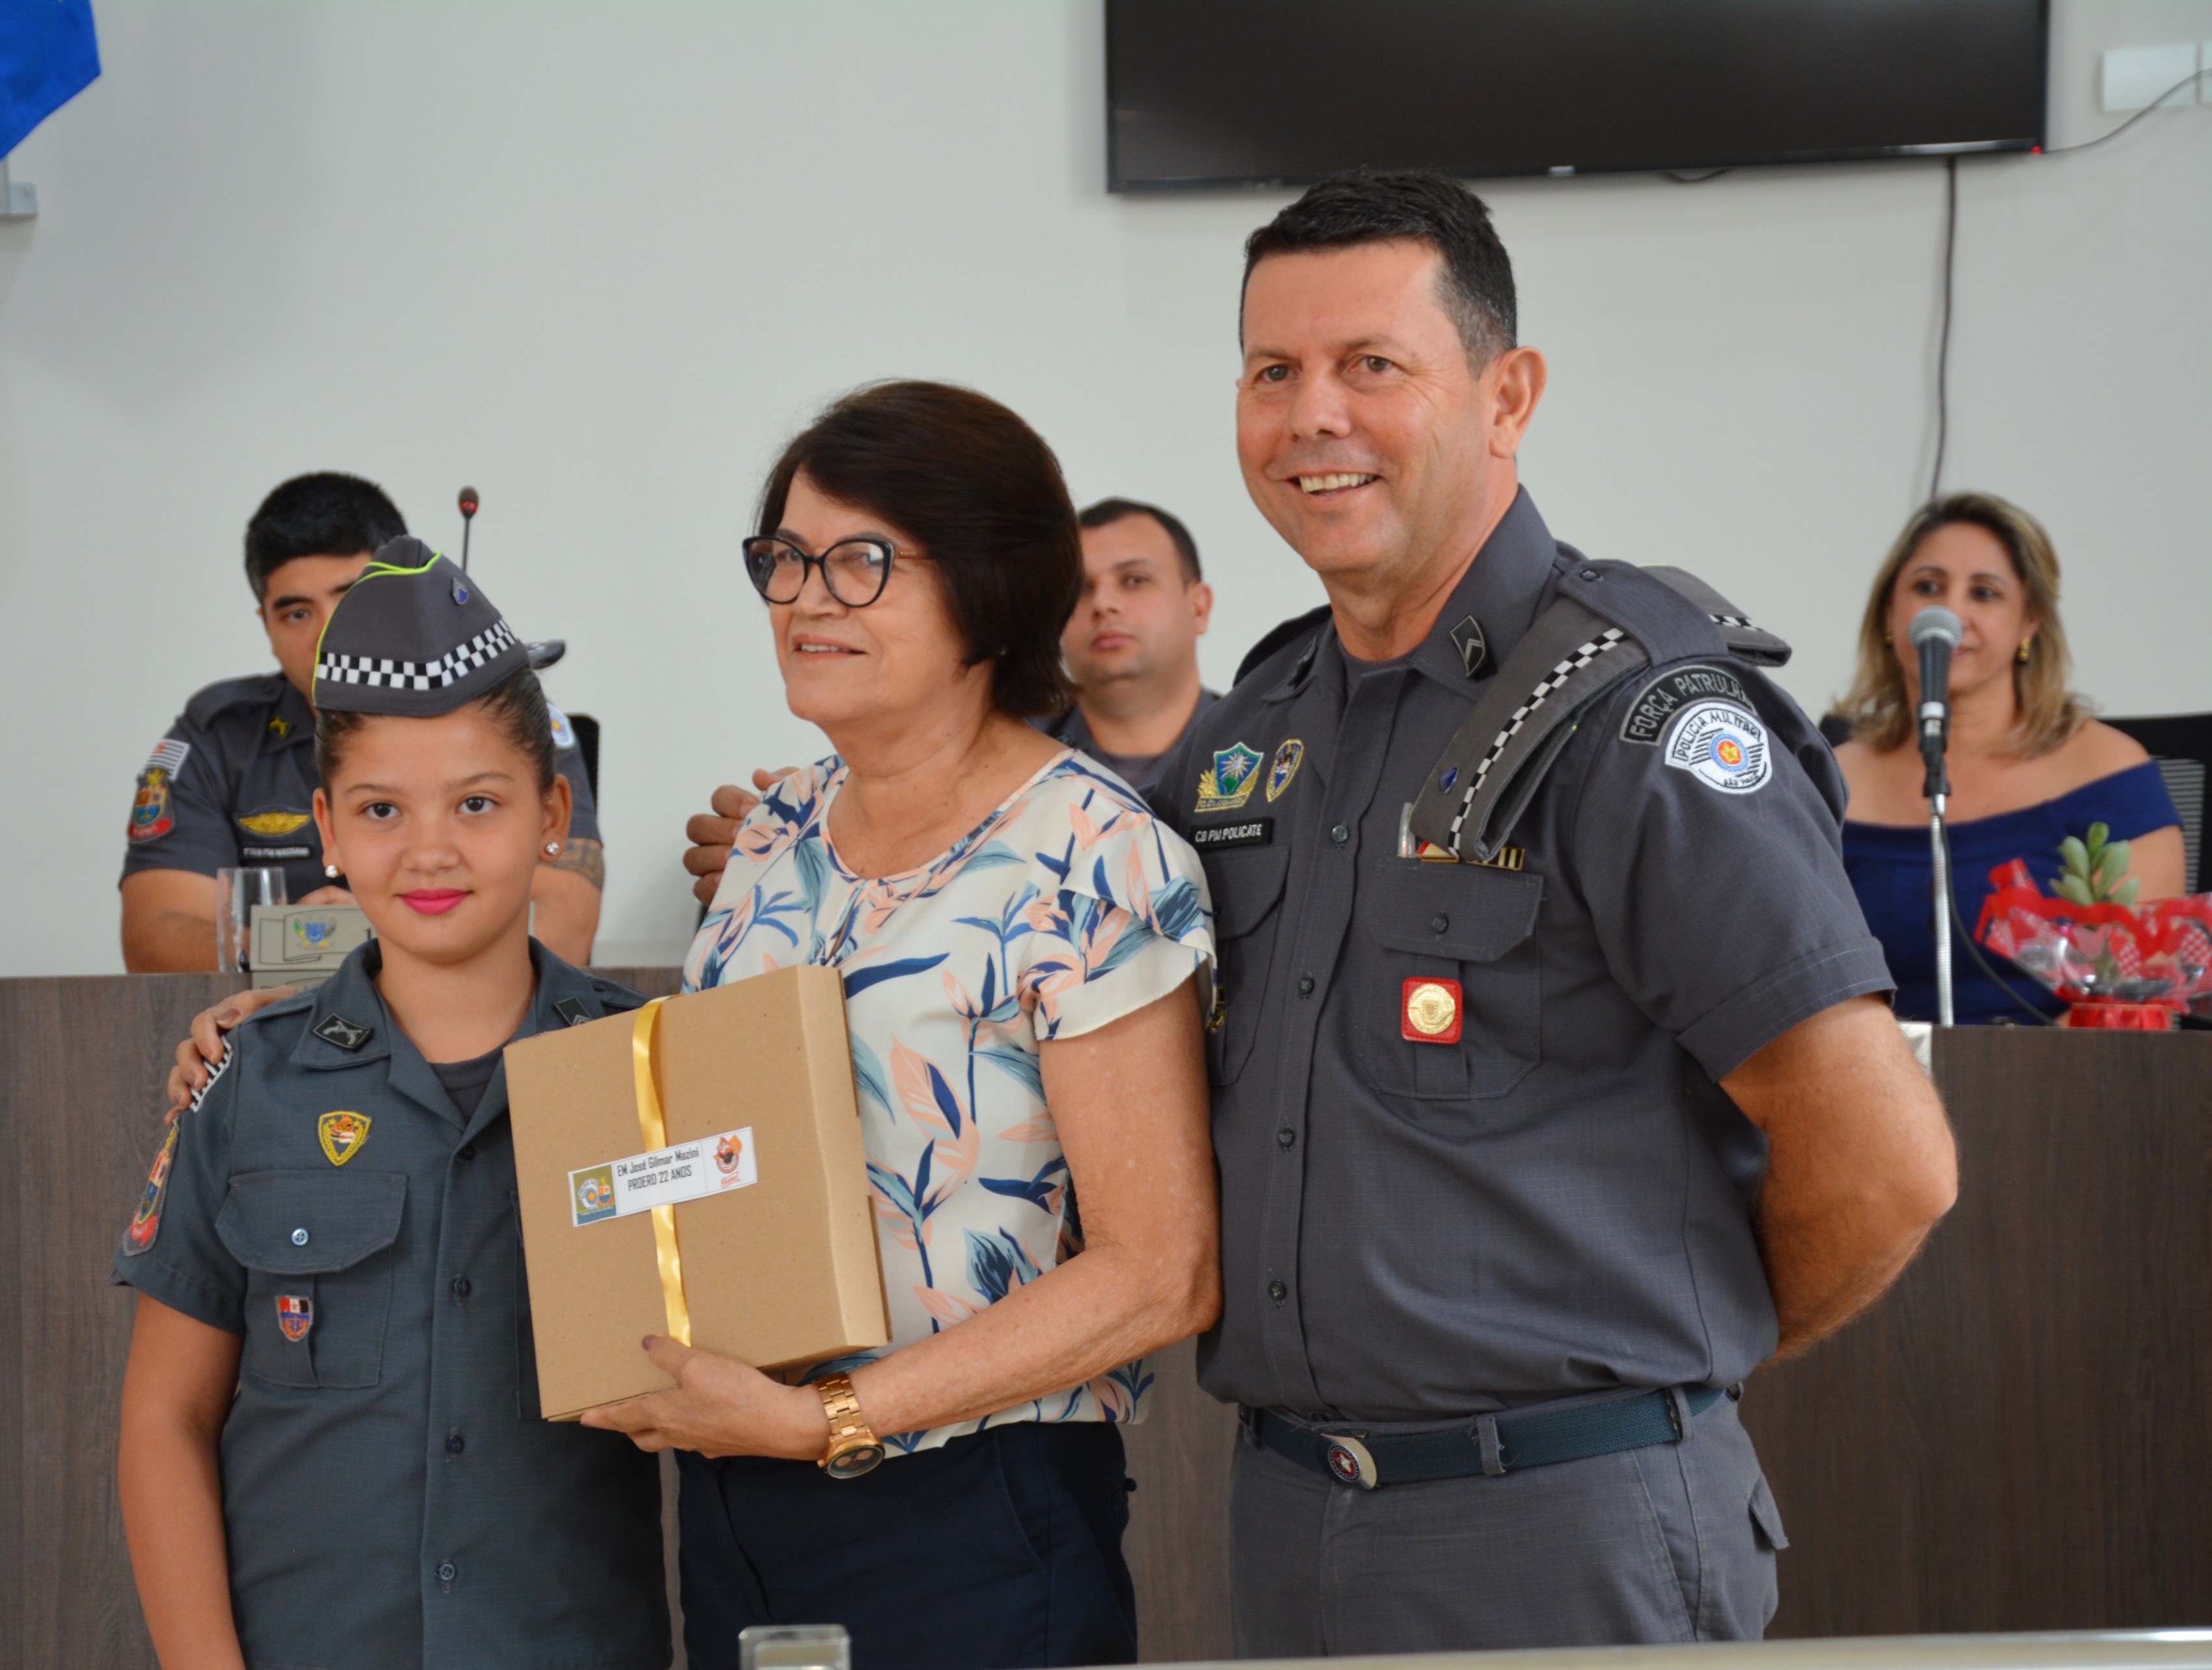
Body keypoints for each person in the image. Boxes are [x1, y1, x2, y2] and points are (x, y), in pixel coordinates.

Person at [682, 173, 1956, 1656]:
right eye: (1271, 372)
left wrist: (1664, 1372)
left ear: (1506, 394)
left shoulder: (1635, 721)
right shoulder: (1261, 733)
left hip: (1564, 1514)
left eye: (1372, 365)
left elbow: (1888, 1166)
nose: (1311, 416)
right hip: (1295, 1509)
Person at [595, 380, 1217, 1670]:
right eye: (784, 558)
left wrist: (826, 1417)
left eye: (860, 562)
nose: (805, 599)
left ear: (988, 588)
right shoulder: (774, 833)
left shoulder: (1090, 854)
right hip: (737, 1481)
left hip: (971, 1505)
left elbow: (1160, 1272)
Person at [113, 539, 668, 1670]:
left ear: (553, 812)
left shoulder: (648, 1071)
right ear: (326, 830)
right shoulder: (245, 1081)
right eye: (380, 810)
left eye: (478, 803)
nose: (429, 851)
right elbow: (166, 1419)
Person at [120, 471, 606, 971]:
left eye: (351, 600)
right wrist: (309, 952)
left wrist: (370, 937)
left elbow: (564, 925)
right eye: (297, 614)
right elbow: (154, 937)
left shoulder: (502, 716)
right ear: (266, 624)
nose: (328, 634)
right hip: (277, 1016)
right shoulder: (220, 735)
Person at [1833, 492, 2184, 1024]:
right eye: (1928, 587)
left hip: (2056, 1071)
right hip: (1864, 1070)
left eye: (1984, 593)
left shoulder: (2107, 772)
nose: (1951, 614)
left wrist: (2009, 1075)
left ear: (2030, 621)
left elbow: (2134, 998)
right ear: (1889, 610)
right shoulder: (1826, 780)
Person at [1039, 499, 1218, 802]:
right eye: (1080, 589)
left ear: (1198, 608)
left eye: (1135, 580)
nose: (1103, 603)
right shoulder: (1004, 764)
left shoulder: (1264, 747)